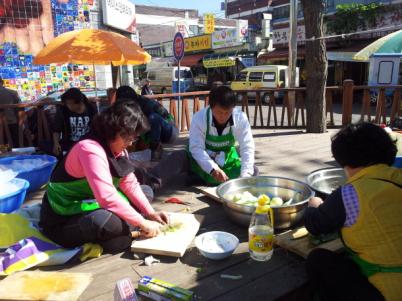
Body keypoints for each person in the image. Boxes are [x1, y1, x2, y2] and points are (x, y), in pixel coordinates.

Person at [40, 100, 168, 253]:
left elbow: (130, 184)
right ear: (113, 130)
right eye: (128, 137)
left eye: (134, 138)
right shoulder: (89, 149)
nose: (131, 143)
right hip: (63, 215)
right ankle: (123, 231)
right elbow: (106, 197)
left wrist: (150, 213)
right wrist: (142, 221)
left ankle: (122, 233)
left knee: (145, 190)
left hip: (91, 203)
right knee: (107, 222)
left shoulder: (118, 148)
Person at [304, 122, 402, 301]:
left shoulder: (350, 193)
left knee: (318, 259)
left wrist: (314, 204)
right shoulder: (397, 176)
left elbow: (316, 224)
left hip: (390, 293)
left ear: (346, 162)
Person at [188, 86, 256, 185]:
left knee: (252, 170)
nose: (223, 117)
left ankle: (201, 180)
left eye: (227, 112)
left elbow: (247, 147)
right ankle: (157, 184)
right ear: (211, 107)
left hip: (226, 159)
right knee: (177, 158)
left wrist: (245, 176)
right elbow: (196, 148)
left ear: (233, 108)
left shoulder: (240, 118)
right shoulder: (199, 118)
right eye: (219, 112)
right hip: (202, 159)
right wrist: (212, 169)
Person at [115, 86, 178, 160]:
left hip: (170, 131)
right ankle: (150, 150)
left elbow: (146, 125)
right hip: (155, 130)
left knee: (153, 117)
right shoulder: (133, 104)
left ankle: (156, 150)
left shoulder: (146, 105)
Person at [52, 88, 96, 157]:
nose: (68, 106)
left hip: (88, 144)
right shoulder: (63, 111)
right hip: (69, 144)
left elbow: (97, 128)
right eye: (67, 103)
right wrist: (56, 144)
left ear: (80, 102)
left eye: (70, 104)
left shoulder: (91, 109)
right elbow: (56, 130)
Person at [0, 76, 22, 146]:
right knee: (15, 144)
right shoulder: (12, 93)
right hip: (12, 122)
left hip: (2, 125)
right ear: (2, 82)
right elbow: (20, 107)